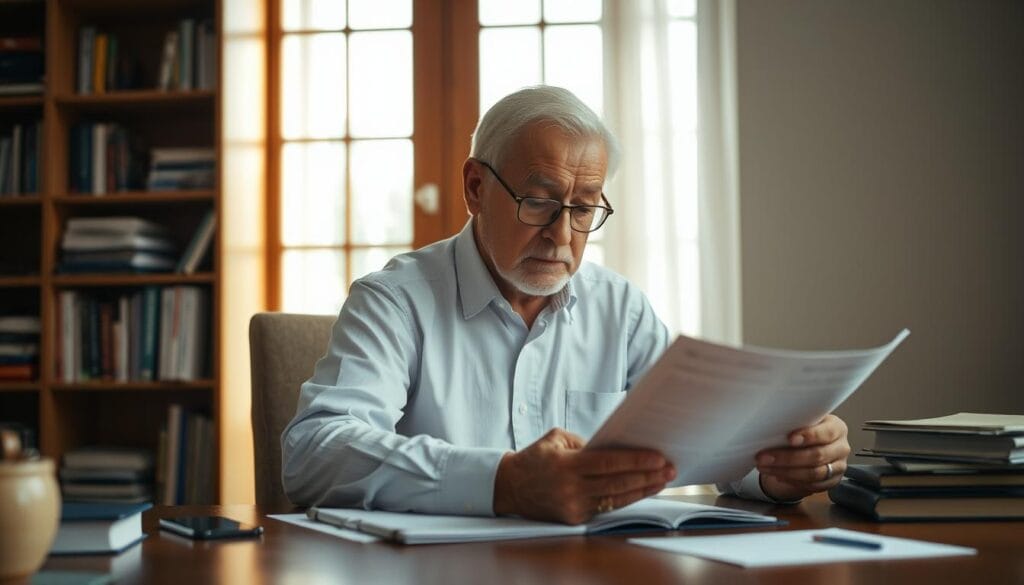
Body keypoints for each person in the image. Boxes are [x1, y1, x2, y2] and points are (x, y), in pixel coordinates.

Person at [282, 85, 850, 524]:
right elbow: (314, 452)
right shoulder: (395, 301)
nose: (561, 235)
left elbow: (706, 443)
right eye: (539, 202)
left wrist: (782, 468)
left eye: (584, 209)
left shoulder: (620, 310)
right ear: (476, 188)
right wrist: (501, 481)